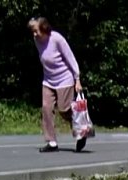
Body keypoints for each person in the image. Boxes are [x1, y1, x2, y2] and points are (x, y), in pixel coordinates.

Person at [28, 17, 87, 153]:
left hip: (64, 79)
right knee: (46, 108)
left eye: (36, 31)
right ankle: (52, 142)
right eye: (32, 31)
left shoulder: (57, 39)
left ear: (44, 28)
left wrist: (77, 79)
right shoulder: (37, 40)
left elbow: (70, 57)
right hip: (48, 80)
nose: (34, 34)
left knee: (64, 110)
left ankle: (81, 130)